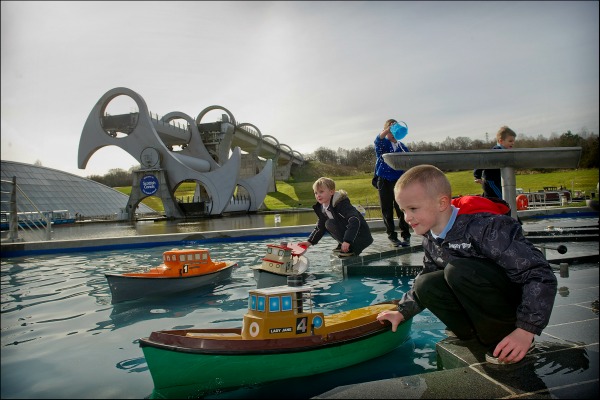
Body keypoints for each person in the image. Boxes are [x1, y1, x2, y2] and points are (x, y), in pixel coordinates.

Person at [376, 164, 557, 365]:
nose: (407, 218)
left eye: (413, 209)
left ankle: (507, 336)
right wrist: (402, 312)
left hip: (512, 303)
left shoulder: (486, 227)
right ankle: (472, 333)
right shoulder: (430, 235)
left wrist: (525, 329)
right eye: (402, 210)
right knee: (425, 283)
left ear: (442, 203)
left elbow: (539, 273)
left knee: (459, 271)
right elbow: (429, 273)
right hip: (481, 298)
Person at [298, 177, 373, 258]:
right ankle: (343, 245)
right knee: (327, 223)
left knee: (329, 223)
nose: (318, 195)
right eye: (316, 193)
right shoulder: (323, 208)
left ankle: (351, 248)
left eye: (321, 192)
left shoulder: (342, 204)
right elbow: (320, 228)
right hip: (350, 237)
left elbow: (354, 220)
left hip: (361, 236)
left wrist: (347, 241)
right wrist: (309, 242)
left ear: (331, 192)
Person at [374, 119, 411, 247]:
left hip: (399, 181)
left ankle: (406, 235)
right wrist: (387, 130)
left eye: (395, 129)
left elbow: (409, 160)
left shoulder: (402, 146)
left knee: (401, 208)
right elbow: (377, 140)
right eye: (390, 129)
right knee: (387, 209)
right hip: (384, 180)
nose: (392, 133)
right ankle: (392, 236)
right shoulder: (383, 144)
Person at [473, 126, 517, 199]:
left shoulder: (506, 151)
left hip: (497, 181)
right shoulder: (496, 151)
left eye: (513, 141)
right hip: (491, 181)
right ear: (500, 141)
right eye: (510, 141)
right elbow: (482, 160)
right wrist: (477, 175)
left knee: (493, 199)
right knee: (502, 198)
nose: (512, 143)